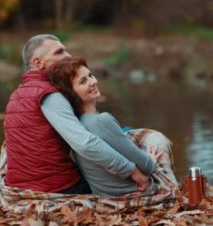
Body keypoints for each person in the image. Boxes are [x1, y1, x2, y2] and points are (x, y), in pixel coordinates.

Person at [4, 34, 149, 195]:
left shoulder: (16, 94)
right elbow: (85, 143)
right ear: (38, 62)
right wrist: (131, 171)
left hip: (17, 184)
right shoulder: (49, 95)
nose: (68, 56)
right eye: (59, 52)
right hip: (55, 187)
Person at [47, 56, 179, 197]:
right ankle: (174, 192)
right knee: (158, 142)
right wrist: (152, 158)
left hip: (105, 195)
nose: (92, 82)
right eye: (83, 81)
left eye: (90, 75)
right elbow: (148, 167)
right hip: (134, 193)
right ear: (71, 93)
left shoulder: (77, 126)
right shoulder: (102, 121)